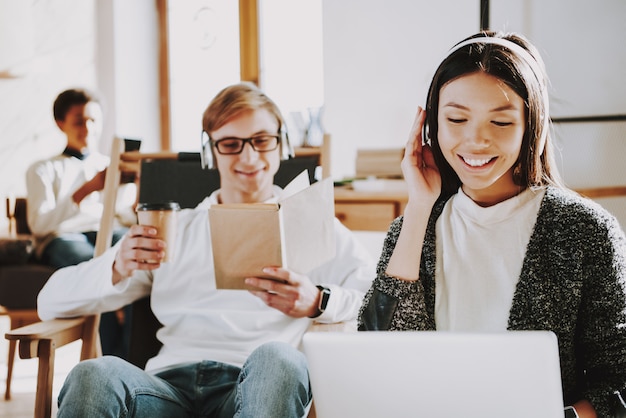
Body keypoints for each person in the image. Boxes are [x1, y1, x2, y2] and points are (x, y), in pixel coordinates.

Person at [37, 82, 374, 417]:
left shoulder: (310, 224)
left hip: (256, 386)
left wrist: (318, 300)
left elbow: (378, 305)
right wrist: (116, 268)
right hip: (166, 391)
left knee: (281, 360)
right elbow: (48, 301)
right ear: (210, 151)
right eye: (230, 144)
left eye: (261, 140)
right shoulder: (174, 229)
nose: (248, 156)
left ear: (281, 145)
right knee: (92, 375)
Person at [358, 31, 626, 418]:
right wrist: (418, 208)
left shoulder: (586, 230)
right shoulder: (413, 229)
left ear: (530, 127)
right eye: (456, 118)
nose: (476, 140)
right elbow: (373, 357)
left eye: (500, 122)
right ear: (431, 124)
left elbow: (617, 385)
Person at [26, 88, 136, 358]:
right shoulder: (43, 168)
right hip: (64, 237)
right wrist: (86, 190)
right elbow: (40, 224)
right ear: (60, 123)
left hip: (106, 230)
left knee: (134, 257)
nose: (87, 128)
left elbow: (124, 216)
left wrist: (135, 191)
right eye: (79, 121)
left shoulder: (110, 165)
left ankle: (133, 358)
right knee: (99, 270)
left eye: (92, 121)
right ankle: (112, 358)